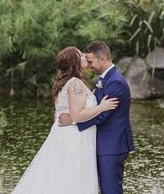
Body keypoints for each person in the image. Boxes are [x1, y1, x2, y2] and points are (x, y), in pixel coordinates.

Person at [11, 46, 119, 194]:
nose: (85, 56)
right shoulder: (75, 83)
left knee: (59, 175)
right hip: (75, 138)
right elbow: (77, 115)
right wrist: (102, 107)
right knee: (73, 176)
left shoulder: (62, 82)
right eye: (81, 55)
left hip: (64, 134)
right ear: (75, 62)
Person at [59, 41, 135, 194]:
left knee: (110, 190)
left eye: (91, 61)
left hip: (112, 145)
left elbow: (103, 116)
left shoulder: (116, 82)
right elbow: (94, 108)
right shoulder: (102, 79)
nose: (89, 64)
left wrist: (73, 121)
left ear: (103, 59)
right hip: (102, 144)